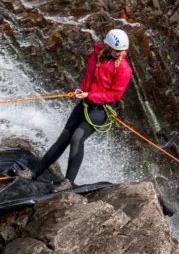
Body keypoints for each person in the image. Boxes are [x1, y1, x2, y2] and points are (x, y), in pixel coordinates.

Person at [16, 29, 133, 190]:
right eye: (116, 51)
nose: (119, 54)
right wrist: (82, 90)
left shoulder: (123, 69)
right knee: (64, 137)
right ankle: (34, 172)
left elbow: (114, 95)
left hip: (102, 108)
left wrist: (89, 95)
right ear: (107, 46)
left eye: (122, 51)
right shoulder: (96, 55)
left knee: (77, 138)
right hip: (86, 101)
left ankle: (68, 182)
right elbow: (89, 77)